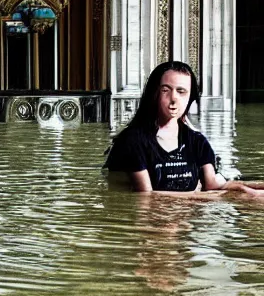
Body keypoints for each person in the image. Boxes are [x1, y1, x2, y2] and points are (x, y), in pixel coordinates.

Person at [105, 60, 264, 196]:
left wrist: (250, 189)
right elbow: (146, 197)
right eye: (166, 90)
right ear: (154, 94)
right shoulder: (132, 141)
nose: (174, 98)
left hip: (183, 222)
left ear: (190, 98)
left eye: (181, 92)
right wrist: (210, 198)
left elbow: (212, 185)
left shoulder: (196, 141)